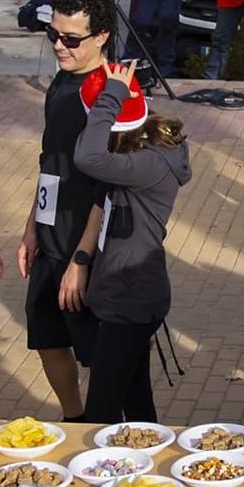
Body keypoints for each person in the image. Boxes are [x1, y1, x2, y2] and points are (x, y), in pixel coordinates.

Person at [71, 64, 191, 422]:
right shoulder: (139, 151)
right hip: (127, 295)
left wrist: (109, 97)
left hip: (131, 300)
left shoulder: (147, 165)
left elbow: (86, 157)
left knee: (100, 412)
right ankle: (147, 465)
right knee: (136, 400)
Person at [20, 0, 114, 421]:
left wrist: (82, 257)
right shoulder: (61, 80)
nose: (59, 45)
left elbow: (108, 187)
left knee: (99, 352)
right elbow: (49, 159)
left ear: (101, 37)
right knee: (46, 338)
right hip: (51, 230)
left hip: (87, 241)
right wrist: (31, 225)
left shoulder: (106, 93)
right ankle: (74, 418)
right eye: (53, 35)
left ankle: (102, 423)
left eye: (71, 39)